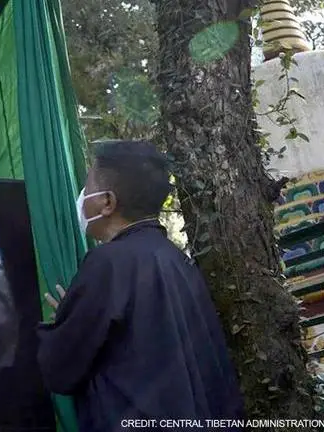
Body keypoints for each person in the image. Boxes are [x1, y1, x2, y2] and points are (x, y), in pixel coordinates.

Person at [36, 141, 244, 431]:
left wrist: (65, 322)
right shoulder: (178, 261)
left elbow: (60, 369)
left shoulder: (108, 263)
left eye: (87, 186)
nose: (82, 198)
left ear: (107, 202)